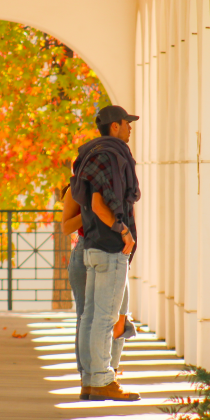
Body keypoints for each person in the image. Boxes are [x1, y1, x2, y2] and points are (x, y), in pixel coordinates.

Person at [71, 105, 142, 401]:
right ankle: (102, 379)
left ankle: (90, 380)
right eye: (127, 123)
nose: (130, 128)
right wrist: (122, 230)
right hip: (110, 247)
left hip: (91, 246)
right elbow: (101, 202)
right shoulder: (112, 156)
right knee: (105, 316)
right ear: (115, 126)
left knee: (90, 316)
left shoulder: (90, 154)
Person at [61, 183, 136, 400]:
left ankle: (106, 377)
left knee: (120, 318)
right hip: (87, 250)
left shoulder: (117, 182)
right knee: (87, 318)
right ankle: (90, 379)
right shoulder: (76, 187)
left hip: (116, 251)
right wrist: (93, 211)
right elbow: (66, 227)